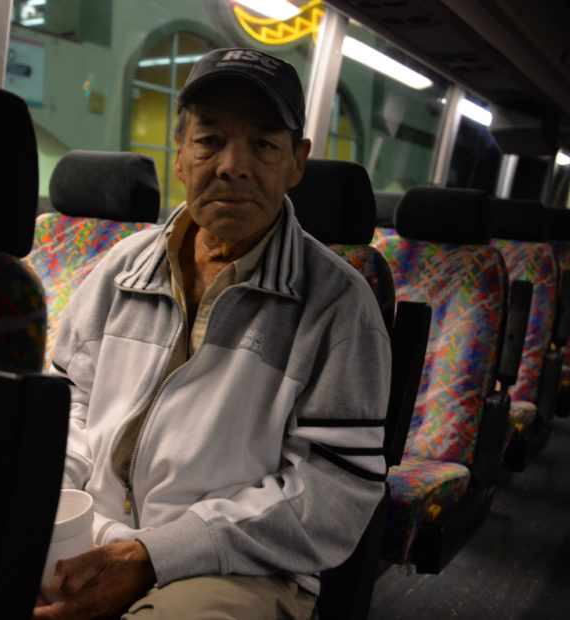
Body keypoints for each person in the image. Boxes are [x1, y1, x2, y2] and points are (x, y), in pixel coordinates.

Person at [34, 48, 391, 619]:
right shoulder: (120, 270)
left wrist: (154, 554)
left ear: (296, 163)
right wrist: (58, 513)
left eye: (264, 145)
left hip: (239, 561)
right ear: (180, 155)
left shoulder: (339, 308)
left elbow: (331, 493)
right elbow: (68, 408)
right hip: (88, 528)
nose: (232, 165)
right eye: (209, 141)